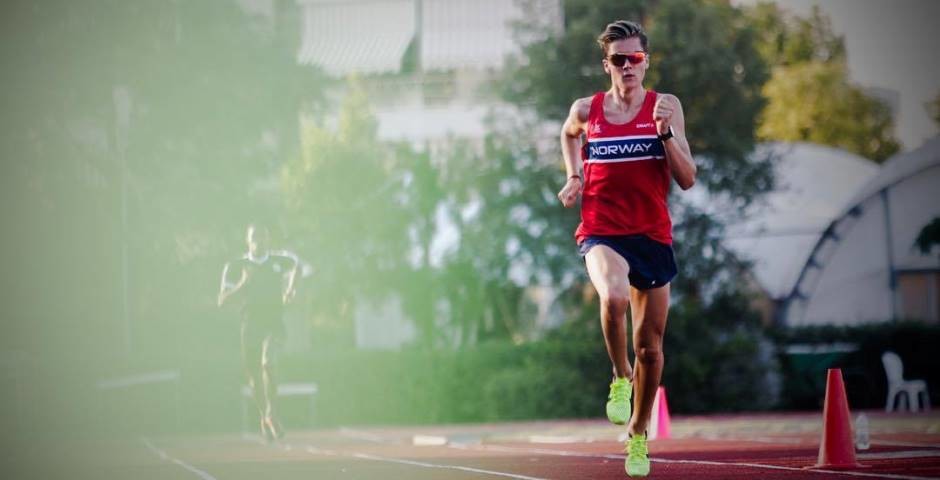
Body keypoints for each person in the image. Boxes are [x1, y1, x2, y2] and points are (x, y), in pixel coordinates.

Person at [556, 20, 696, 477]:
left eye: (635, 58)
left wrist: (665, 134)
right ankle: (620, 377)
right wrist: (574, 176)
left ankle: (638, 434)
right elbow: (569, 134)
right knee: (613, 297)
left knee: (650, 349)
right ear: (607, 65)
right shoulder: (587, 109)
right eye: (619, 59)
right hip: (602, 230)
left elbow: (687, 178)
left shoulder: (665, 107)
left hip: (651, 235)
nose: (628, 66)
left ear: (646, 61)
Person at [218, 224, 299, 441]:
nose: (259, 241)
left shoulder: (279, 260)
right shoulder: (235, 266)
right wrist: (242, 284)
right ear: (247, 240)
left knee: (268, 363)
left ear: (268, 239)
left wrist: (291, 288)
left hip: (274, 325)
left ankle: (272, 413)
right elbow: (222, 301)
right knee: (254, 380)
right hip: (249, 327)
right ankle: (265, 416)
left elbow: (297, 265)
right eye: (255, 237)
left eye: (263, 237)